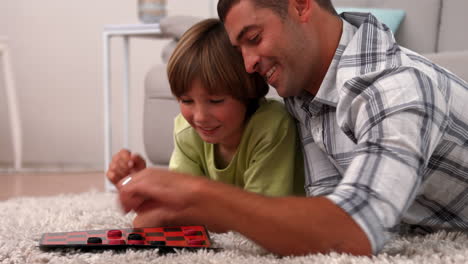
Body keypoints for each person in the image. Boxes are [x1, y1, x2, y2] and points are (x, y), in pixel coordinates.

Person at [118, 0, 468, 257]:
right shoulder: (304, 95)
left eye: (254, 38)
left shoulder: (396, 87)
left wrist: (199, 196)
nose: (248, 64)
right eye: (240, 49)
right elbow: (324, 215)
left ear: (301, 6)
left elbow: (353, 232)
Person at [107, 18, 304, 228]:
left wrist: (178, 208)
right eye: (186, 100)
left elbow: (262, 219)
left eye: (216, 100)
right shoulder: (186, 130)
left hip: (284, 220)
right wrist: (142, 186)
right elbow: (181, 202)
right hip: (235, 215)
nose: (199, 117)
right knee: (148, 221)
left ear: (248, 92)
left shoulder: (271, 126)